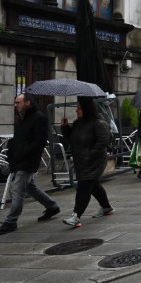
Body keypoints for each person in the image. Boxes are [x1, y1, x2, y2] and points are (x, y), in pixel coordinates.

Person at [0, 93, 59, 235]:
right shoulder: (22, 118)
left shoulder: (39, 118)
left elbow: (39, 142)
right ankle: (52, 206)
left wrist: (24, 152)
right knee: (30, 187)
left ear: (28, 103)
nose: (16, 105)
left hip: (28, 160)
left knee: (17, 190)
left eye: (18, 102)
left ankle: (11, 221)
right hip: (20, 159)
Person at [60, 96, 113, 227]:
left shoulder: (99, 123)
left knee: (84, 186)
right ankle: (107, 207)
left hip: (94, 161)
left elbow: (103, 141)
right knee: (93, 184)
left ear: (86, 109)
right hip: (81, 160)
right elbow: (70, 138)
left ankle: (76, 216)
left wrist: (91, 154)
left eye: (79, 108)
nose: (76, 111)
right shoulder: (78, 123)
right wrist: (65, 127)